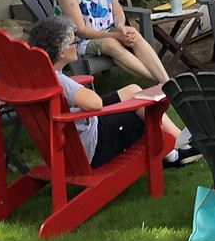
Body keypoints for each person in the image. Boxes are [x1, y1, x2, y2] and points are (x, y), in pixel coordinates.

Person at [28, 16, 201, 168]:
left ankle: (180, 141)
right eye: (73, 42)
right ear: (61, 51)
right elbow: (94, 103)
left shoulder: (39, 76)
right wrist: (81, 91)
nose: (76, 44)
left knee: (133, 90)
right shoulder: (60, 81)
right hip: (92, 146)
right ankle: (174, 155)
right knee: (145, 109)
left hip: (72, 135)